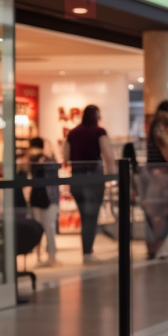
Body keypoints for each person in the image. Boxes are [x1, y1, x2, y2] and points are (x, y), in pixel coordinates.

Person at [63, 105, 116, 263]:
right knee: (91, 216)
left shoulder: (72, 133)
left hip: (77, 178)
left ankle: (86, 250)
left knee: (84, 214)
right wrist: (111, 176)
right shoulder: (99, 132)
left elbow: (65, 157)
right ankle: (87, 252)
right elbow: (108, 155)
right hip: (94, 178)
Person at [142, 106, 168, 259]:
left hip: (154, 176)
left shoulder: (153, 130)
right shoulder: (161, 131)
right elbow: (167, 153)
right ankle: (159, 245)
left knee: (156, 213)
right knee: (164, 214)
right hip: (160, 177)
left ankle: (155, 247)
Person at [27, 137, 60, 267]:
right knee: (40, 227)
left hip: (48, 198)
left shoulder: (47, 161)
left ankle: (51, 255)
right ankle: (40, 255)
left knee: (48, 227)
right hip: (39, 198)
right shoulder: (33, 162)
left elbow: (56, 167)